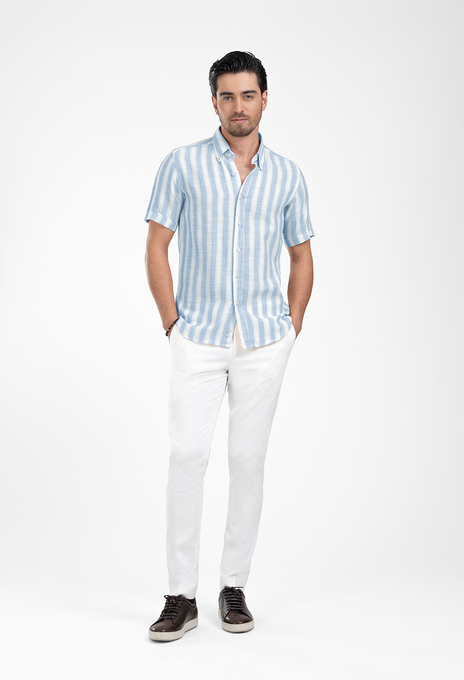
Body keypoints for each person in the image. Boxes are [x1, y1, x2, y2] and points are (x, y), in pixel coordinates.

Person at [144, 51, 314, 642]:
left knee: (246, 461)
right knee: (187, 456)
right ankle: (180, 595)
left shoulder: (288, 175)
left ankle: (233, 586)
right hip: (198, 334)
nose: (237, 107)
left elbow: (301, 256)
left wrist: (291, 327)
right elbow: (157, 245)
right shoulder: (182, 164)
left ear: (264, 98)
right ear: (213, 101)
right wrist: (172, 322)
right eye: (227, 96)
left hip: (264, 340)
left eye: (247, 95)